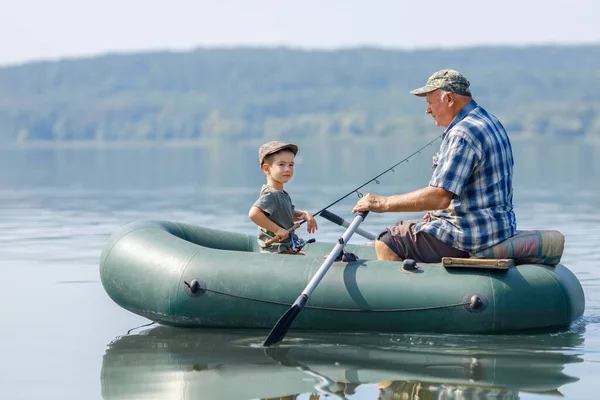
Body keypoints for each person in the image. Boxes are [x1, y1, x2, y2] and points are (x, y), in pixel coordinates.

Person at [352, 68, 517, 263]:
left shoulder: (463, 133)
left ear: (448, 99)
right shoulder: (489, 121)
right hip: (499, 228)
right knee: (405, 230)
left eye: (430, 103)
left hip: (471, 237)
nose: (427, 110)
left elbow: (440, 197)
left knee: (387, 241)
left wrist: (381, 203)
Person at [249, 141, 318, 254]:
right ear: (266, 169)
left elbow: (284, 215)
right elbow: (254, 214)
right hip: (276, 250)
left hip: (287, 247)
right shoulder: (270, 194)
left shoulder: (281, 194)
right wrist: (277, 230)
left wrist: (303, 214)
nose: (288, 169)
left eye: (291, 164)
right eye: (281, 164)